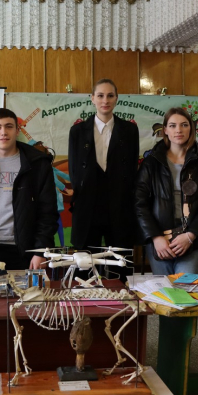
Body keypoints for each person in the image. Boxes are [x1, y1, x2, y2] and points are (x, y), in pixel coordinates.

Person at [0, 108, 59, 270]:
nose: (3, 132)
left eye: (9, 126)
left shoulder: (38, 165)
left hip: (25, 251)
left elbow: (48, 212)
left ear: (17, 130)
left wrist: (40, 251)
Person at [134, 107, 198, 275]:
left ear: (191, 129)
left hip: (193, 242)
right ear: (165, 130)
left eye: (184, 125)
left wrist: (191, 235)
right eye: (172, 125)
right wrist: (156, 237)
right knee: (164, 289)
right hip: (160, 242)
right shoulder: (151, 163)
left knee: (185, 288)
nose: (178, 130)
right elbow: (139, 204)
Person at [68, 79, 139, 274]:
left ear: (116, 98)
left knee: (121, 268)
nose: (105, 100)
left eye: (110, 96)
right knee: (85, 269)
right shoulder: (77, 131)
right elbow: (74, 170)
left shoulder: (130, 130)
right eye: (100, 96)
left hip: (119, 206)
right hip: (87, 206)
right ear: (92, 98)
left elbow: (132, 169)